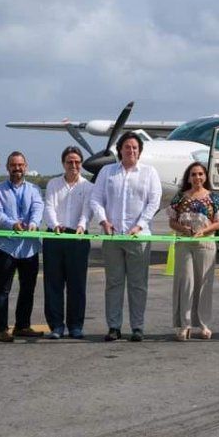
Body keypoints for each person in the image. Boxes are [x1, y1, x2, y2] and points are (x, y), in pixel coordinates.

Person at [89, 131, 162, 342]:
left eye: (135, 148)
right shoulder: (107, 172)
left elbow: (153, 202)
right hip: (112, 237)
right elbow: (96, 199)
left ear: (139, 152)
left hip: (138, 238)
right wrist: (103, 221)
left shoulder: (149, 173)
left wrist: (139, 226)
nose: (131, 151)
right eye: (127, 147)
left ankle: (137, 327)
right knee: (113, 283)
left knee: (138, 284)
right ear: (120, 149)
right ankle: (114, 326)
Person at [0, 151, 45, 343]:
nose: (17, 168)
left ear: (26, 167)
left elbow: (38, 208)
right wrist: (12, 224)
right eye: (13, 165)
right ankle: (0, 329)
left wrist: (34, 224)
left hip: (29, 247)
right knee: (3, 289)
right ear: (8, 168)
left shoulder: (35, 189)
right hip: (6, 246)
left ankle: (22, 326)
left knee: (27, 288)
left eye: (20, 165)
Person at [167, 162, 219, 341]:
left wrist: (204, 231)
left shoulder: (214, 198)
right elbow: (172, 221)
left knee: (204, 285)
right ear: (188, 177)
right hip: (184, 243)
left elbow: (218, 223)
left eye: (200, 174)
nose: (197, 177)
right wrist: (184, 230)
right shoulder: (179, 198)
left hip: (206, 244)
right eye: (193, 174)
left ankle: (203, 324)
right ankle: (184, 325)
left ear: (205, 176)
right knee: (185, 283)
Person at [42, 146, 93, 340]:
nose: (74, 165)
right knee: (53, 284)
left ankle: (75, 326)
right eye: (70, 162)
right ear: (63, 164)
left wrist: (81, 226)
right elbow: (49, 207)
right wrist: (54, 225)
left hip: (78, 238)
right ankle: (56, 326)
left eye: (77, 162)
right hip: (55, 237)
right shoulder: (54, 183)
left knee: (77, 285)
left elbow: (87, 211)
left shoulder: (87, 187)